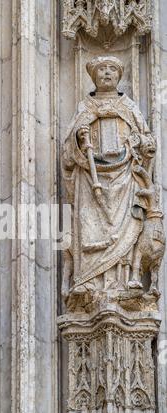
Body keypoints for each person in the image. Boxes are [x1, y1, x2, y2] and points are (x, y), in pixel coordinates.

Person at [62, 56, 156, 294]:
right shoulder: (85, 108)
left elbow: (148, 142)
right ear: (94, 77)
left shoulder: (129, 107)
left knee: (124, 228)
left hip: (125, 176)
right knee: (90, 225)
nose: (106, 73)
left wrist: (138, 143)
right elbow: (68, 150)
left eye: (112, 69)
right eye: (102, 69)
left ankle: (122, 283)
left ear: (119, 76)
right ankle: (89, 282)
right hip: (91, 175)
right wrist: (78, 136)